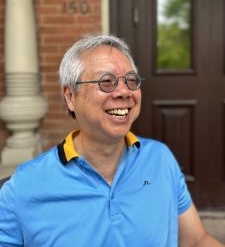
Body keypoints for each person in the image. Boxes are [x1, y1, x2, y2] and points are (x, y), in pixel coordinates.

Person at [0, 35, 224, 247]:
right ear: (70, 97)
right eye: (106, 82)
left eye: (131, 80)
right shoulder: (24, 186)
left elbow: (195, 240)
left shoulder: (160, 159)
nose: (125, 91)